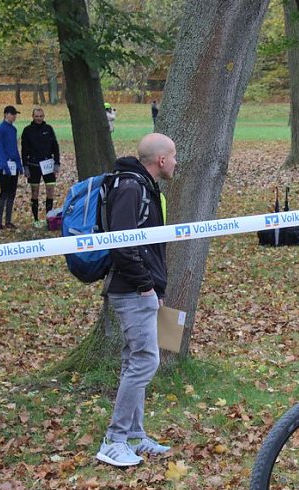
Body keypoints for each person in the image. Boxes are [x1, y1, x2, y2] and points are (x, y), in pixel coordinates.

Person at [96, 133, 177, 468]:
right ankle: (113, 439)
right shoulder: (132, 188)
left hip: (144, 290)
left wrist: (154, 289)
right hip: (130, 290)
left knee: (137, 360)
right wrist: (146, 286)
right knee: (145, 362)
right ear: (160, 160)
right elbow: (122, 244)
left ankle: (134, 435)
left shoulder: (144, 186)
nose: (176, 162)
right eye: (173, 156)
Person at [20, 107, 61, 226]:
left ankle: (49, 218)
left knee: (50, 191)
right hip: (33, 165)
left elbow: (55, 146)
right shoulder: (27, 130)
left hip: (48, 164)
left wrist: (57, 163)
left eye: (40, 116)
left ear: (43, 116)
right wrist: (25, 166)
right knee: (35, 191)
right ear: (32, 117)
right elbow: (24, 150)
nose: (38, 118)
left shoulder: (48, 129)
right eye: (36, 116)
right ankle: (36, 219)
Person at [0, 105, 23, 230]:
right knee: (4, 193)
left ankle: (8, 220)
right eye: (12, 114)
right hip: (5, 164)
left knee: (12, 193)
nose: (14, 116)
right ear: (6, 114)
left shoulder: (13, 129)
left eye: (15, 114)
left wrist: (19, 165)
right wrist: (4, 165)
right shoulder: (0, 129)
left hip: (14, 163)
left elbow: (14, 148)